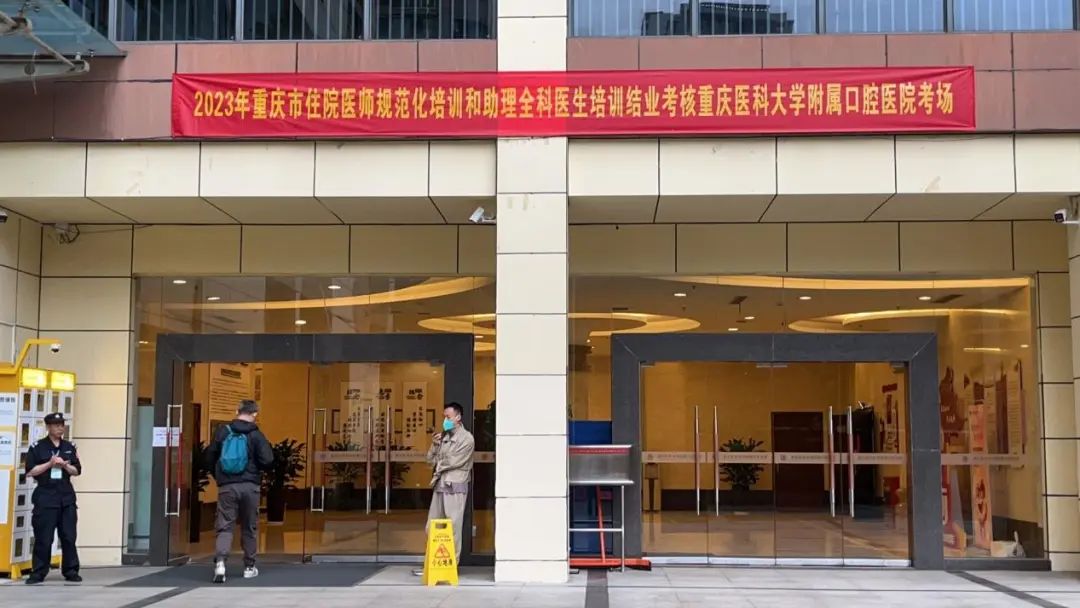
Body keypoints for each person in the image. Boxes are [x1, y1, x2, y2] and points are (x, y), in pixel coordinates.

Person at [203, 399, 274, 583]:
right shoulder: (256, 435)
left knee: (225, 525)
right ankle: (249, 567)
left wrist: (219, 477)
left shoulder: (223, 432)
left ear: (237, 411)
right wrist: (256, 471)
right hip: (250, 486)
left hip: (227, 486)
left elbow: (209, 456)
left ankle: (220, 563)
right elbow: (268, 460)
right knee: (249, 526)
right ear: (255, 414)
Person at [414, 402, 474, 575]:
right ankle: (431, 564)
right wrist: (434, 445)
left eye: (448, 417)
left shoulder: (466, 439)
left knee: (453, 527)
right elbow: (430, 461)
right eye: (444, 417)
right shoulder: (444, 438)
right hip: (440, 484)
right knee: (432, 525)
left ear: (458, 417)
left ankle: (451, 564)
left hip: (455, 486)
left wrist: (439, 464)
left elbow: (454, 461)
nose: (445, 421)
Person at [23, 412, 81, 584]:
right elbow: (30, 471)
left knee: (69, 536)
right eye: (56, 425)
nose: (60, 428)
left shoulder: (69, 446)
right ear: (48, 427)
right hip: (46, 497)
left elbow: (77, 470)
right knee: (44, 537)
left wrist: (65, 466)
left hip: (66, 498)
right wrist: (50, 464)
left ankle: (71, 570)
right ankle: (39, 571)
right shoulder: (37, 447)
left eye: (62, 425)